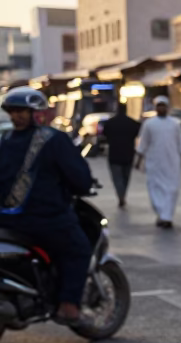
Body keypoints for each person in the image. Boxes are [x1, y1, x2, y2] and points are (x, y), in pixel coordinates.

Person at [0, 86, 93, 329]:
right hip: (44, 220)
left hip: (5, 221)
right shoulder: (53, 139)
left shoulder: (3, 140)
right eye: (16, 111)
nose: (18, 115)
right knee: (79, 249)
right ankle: (69, 306)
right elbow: (80, 179)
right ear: (39, 113)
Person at [135, 96, 181, 229]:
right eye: (159, 106)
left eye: (164, 106)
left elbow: (180, 142)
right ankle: (163, 214)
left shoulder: (175, 124)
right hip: (155, 162)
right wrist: (139, 159)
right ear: (156, 108)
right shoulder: (149, 124)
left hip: (172, 162)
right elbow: (143, 143)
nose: (161, 108)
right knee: (155, 188)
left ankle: (166, 216)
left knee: (172, 189)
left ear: (167, 108)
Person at [101, 102, 140, 208]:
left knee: (117, 177)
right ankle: (123, 195)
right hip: (128, 153)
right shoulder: (133, 123)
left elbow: (104, 135)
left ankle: (120, 195)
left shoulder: (110, 123)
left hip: (114, 154)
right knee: (126, 177)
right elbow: (137, 133)